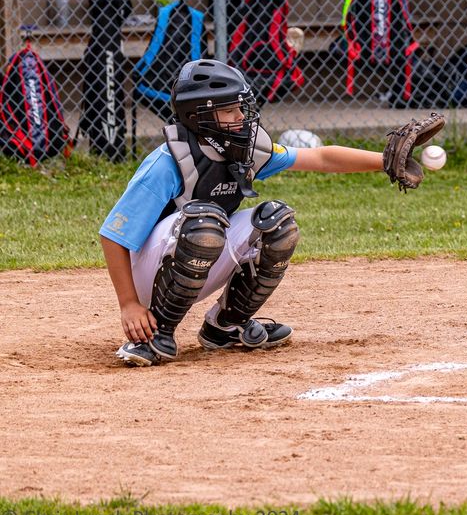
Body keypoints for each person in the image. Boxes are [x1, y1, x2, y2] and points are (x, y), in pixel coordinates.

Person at [100, 59, 424, 367]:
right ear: (200, 117)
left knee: (277, 222)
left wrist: (384, 160)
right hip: (149, 273)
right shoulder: (168, 162)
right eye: (229, 110)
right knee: (206, 220)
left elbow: (321, 158)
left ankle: (226, 325)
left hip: (200, 251)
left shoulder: (243, 150)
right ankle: (155, 335)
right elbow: (113, 236)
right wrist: (129, 304)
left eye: (241, 107)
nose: (241, 116)